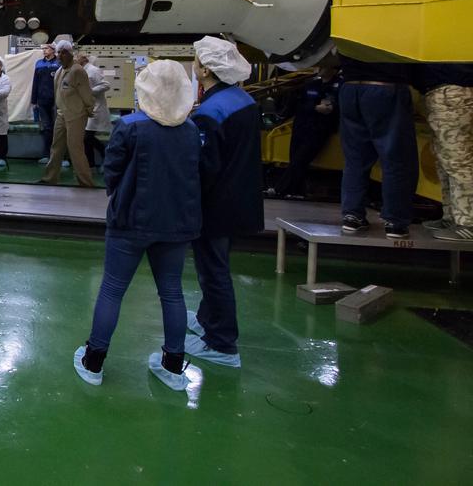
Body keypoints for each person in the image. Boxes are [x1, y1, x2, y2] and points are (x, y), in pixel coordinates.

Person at [74, 60, 201, 392]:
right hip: (176, 223)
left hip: (130, 221)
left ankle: (93, 361)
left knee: (113, 289)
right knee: (172, 291)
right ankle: (173, 365)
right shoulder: (190, 130)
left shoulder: (130, 126)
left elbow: (112, 172)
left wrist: (122, 194)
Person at [185, 36, 261, 369]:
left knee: (213, 271)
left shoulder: (212, 112)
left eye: (196, 60)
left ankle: (221, 343)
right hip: (239, 196)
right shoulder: (241, 99)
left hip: (217, 205)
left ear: (205, 69)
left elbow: (205, 168)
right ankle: (206, 318)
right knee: (217, 266)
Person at [338, 55, 418, 239]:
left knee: (355, 158)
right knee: (397, 158)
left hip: (350, 87)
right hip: (386, 86)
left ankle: (352, 216)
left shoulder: (350, 24)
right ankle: (395, 222)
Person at [412, 63, 473, 240]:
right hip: (453, 90)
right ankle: (452, 217)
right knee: (446, 159)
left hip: (450, 91)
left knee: (457, 161)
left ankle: (467, 223)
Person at [269, 63, 342, 200]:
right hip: (302, 125)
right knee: (295, 157)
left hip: (320, 127)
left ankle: (280, 189)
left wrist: (322, 108)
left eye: (323, 66)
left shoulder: (338, 85)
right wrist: (314, 107)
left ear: (333, 69)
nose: (319, 68)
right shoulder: (312, 85)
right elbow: (299, 104)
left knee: (301, 158)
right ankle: (296, 190)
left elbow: (333, 108)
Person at [41, 41, 97, 188]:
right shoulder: (59, 71)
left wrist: (90, 110)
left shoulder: (77, 71)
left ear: (69, 54)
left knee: (75, 149)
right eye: (58, 53)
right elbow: (58, 94)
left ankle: (85, 182)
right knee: (56, 147)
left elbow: (87, 94)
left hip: (76, 116)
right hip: (61, 115)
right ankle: (49, 178)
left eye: (62, 53)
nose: (59, 56)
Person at [79, 53, 111, 168]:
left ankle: (105, 155)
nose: (74, 59)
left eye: (77, 57)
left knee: (87, 137)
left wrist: (90, 91)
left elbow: (106, 85)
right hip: (85, 108)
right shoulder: (80, 70)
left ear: (84, 58)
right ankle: (90, 164)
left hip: (95, 108)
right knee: (85, 138)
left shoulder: (93, 70)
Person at [32, 44, 61, 164]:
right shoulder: (39, 63)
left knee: (59, 128)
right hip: (42, 100)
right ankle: (46, 155)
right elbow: (35, 82)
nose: (44, 51)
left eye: (46, 48)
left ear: (53, 50)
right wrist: (34, 100)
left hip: (57, 101)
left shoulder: (59, 63)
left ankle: (61, 157)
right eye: (43, 49)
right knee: (47, 128)